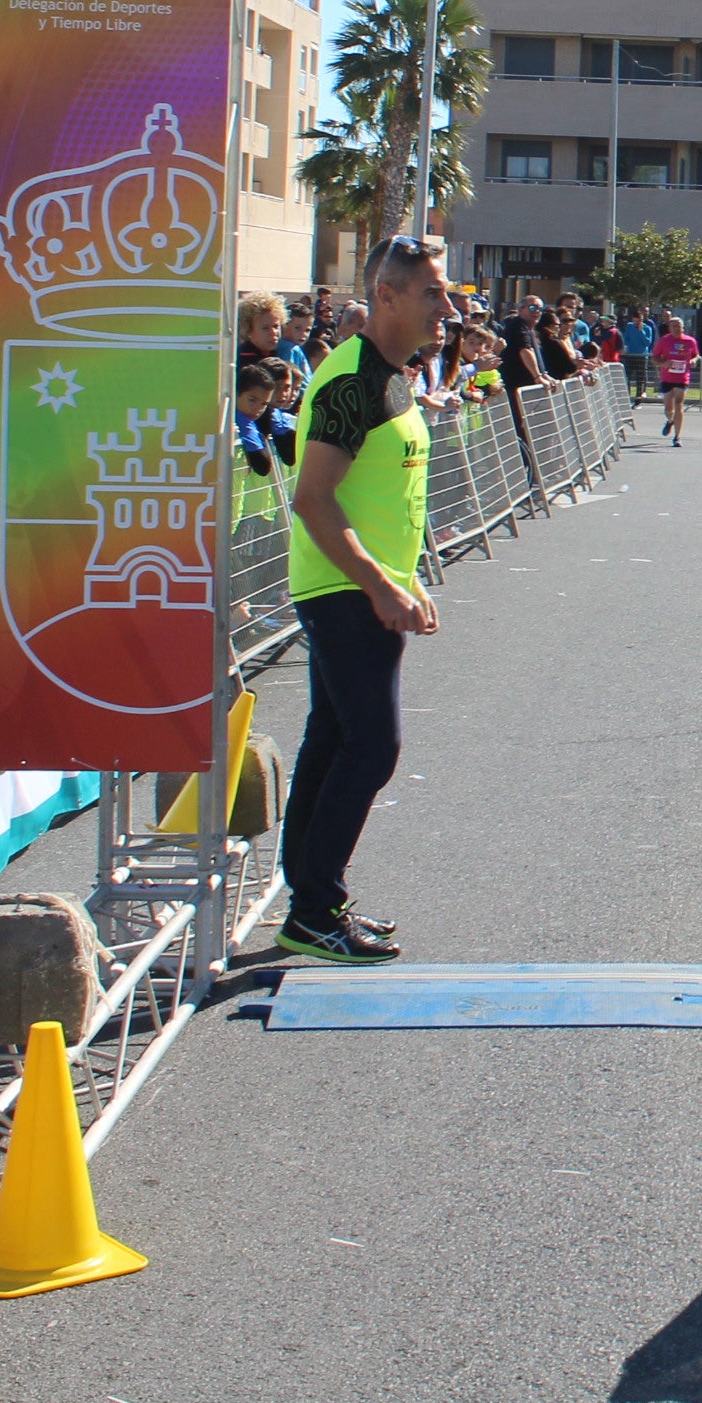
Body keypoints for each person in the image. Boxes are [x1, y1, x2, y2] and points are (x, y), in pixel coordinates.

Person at [277, 235, 458, 966]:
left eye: (446, 294)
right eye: (431, 294)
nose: (446, 308)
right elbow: (313, 500)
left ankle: (311, 901)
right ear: (386, 296)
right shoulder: (350, 381)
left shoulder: (394, 376)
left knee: (333, 739)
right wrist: (379, 584)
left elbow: (382, 491)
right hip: (343, 588)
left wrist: (405, 575)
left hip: (366, 587)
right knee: (372, 747)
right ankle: (316, 907)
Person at [653, 310, 700, 443]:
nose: (676, 329)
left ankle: (677, 437)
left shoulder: (690, 341)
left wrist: (693, 360)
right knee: (669, 408)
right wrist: (664, 363)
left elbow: (696, 355)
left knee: (679, 404)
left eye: (678, 326)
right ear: (669, 328)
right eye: (673, 326)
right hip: (667, 377)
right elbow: (654, 358)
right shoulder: (664, 340)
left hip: (682, 377)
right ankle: (670, 420)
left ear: (683, 327)